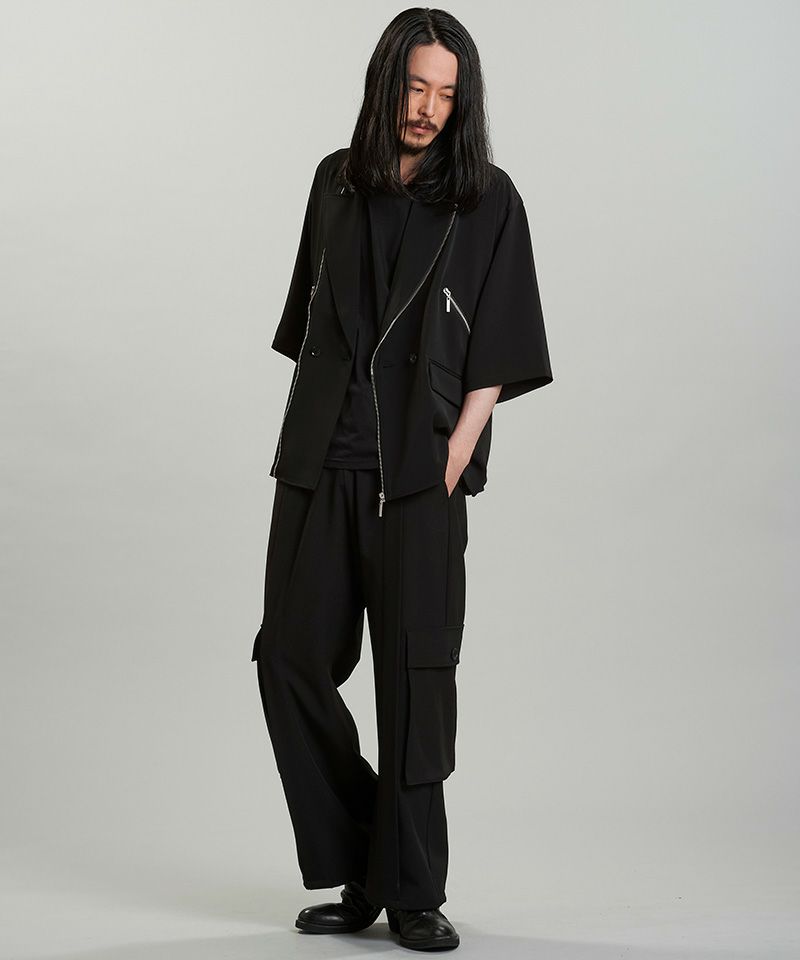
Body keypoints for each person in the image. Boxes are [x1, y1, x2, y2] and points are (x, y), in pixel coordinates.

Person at [251, 7, 553, 951]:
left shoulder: (488, 199)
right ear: (386, 85)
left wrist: (459, 450)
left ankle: (411, 890)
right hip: (320, 467)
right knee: (287, 660)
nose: (427, 108)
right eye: (415, 87)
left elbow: (501, 335)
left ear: (462, 104)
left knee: (416, 685)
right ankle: (366, 861)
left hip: (422, 475)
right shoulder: (333, 182)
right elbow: (312, 321)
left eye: (445, 95)